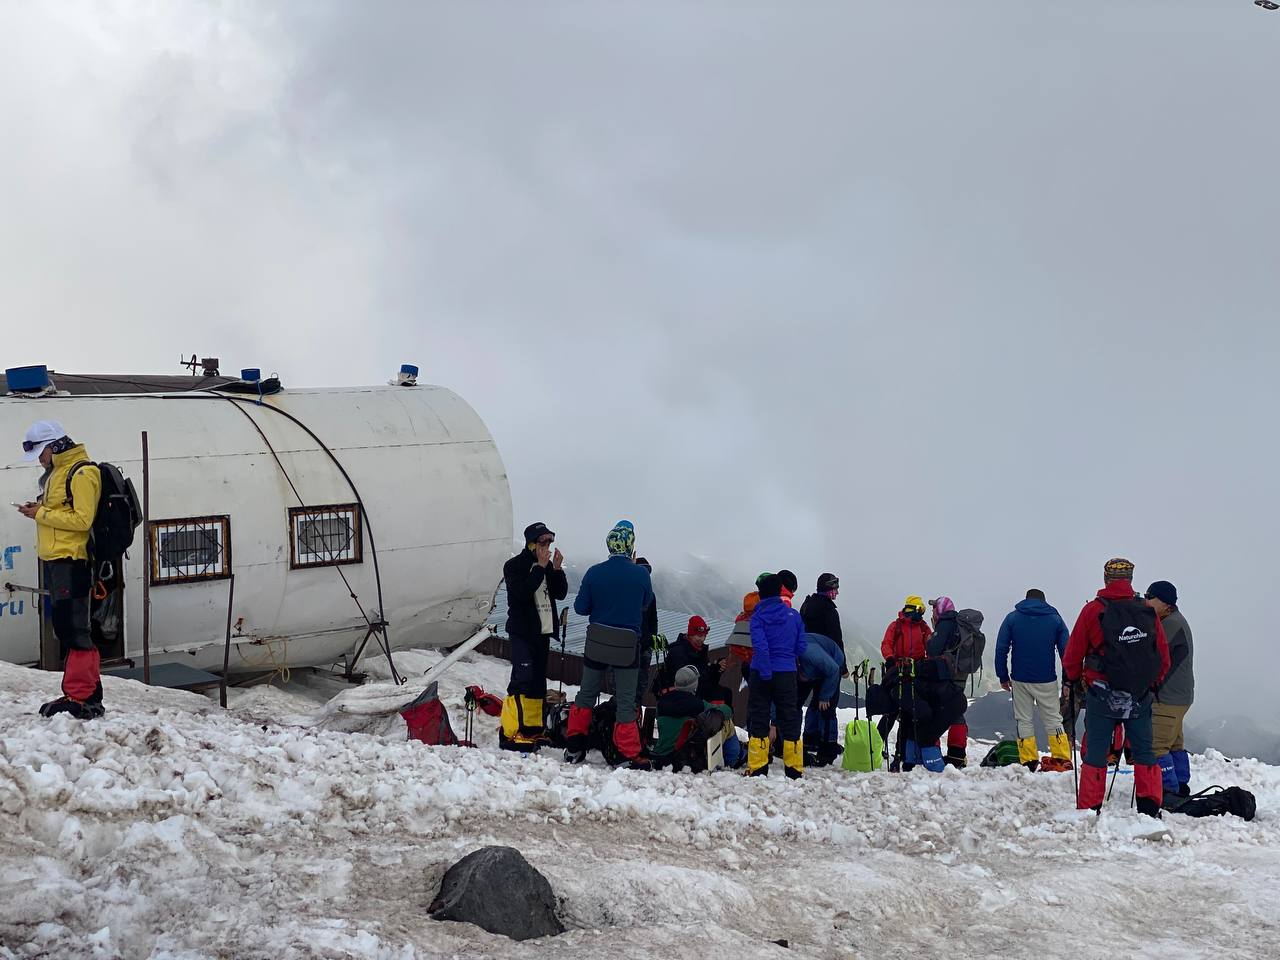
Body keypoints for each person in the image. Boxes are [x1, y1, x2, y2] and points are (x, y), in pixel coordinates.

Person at [1063, 558, 1170, 817]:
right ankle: (1149, 808)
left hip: (1102, 693)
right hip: (1139, 694)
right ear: (1130, 580)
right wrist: (1151, 684)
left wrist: (1072, 680)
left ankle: (1090, 807)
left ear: (1105, 578)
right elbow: (1163, 657)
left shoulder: (1092, 611)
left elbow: (1073, 654)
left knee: (1097, 750)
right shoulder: (1146, 611)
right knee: (1144, 750)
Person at [16, 421, 104, 720]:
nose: (40, 459)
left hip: (73, 560)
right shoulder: (57, 473)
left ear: (55, 446)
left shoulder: (82, 472)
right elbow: (64, 512)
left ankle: (81, 697)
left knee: (73, 628)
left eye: (42, 452)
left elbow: (82, 520)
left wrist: (40, 513)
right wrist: (38, 509)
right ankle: (86, 693)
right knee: (68, 627)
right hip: (58, 560)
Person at [565, 521, 654, 768]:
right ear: (631, 546)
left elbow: (580, 608)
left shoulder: (594, 572)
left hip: (596, 643)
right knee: (626, 700)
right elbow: (645, 603)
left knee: (586, 694)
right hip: (627, 647)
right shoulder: (641, 575)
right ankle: (627, 753)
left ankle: (574, 747)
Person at [499, 522, 568, 751]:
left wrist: (556, 569)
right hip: (522, 631)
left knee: (538, 681)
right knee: (523, 677)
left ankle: (532, 728)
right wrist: (539, 567)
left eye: (549, 542)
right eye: (542, 542)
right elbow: (521, 593)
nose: (547, 546)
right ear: (530, 544)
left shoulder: (547, 565)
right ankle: (509, 730)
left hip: (542, 632)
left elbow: (560, 593)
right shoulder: (514, 566)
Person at [994, 588, 1072, 772]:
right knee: (1053, 719)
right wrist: (1068, 681)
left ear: (1026, 599)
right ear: (1044, 601)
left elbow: (1001, 649)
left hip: (1020, 679)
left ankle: (1029, 760)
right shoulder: (1055, 619)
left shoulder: (1012, 618)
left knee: (1024, 720)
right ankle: (1061, 758)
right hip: (1047, 679)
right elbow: (1067, 653)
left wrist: (1003, 676)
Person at [746, 574, 807, 778]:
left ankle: (758, 766)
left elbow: (761, 647)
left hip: (762, 672)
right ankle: (794, 768)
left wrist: (765, 672)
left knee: (760, 716)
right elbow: (801, 646)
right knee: (789, 716)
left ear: (761, 594)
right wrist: (788, 659)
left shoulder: (757, 618)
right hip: (787, 672)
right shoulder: (794, 616)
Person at [1146, 580, 1194, 802]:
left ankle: (1169, 791)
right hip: (1180, 696)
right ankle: (1181, 783)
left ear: (1164, 602)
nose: (1146, 601)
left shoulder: (1169, 625)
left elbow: (1149, 653)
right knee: (1174, 742)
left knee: (1157, 745)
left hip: (1168, 696)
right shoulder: (1175, 620)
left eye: (1150, 597)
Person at [878, 596, 932, 770]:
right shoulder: (899, 626)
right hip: (899, 673)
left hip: (911, 674)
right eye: (921, 611)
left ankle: (897, 752)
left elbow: (929, 648)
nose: (922, 615)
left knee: (904, 713)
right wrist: (891, 659)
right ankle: (884, 747)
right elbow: (886, 644)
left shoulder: (919, 627)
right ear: (916, 609)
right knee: (893, 712)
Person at [651, 665, 737, 772]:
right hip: (685, 758)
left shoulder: (661, 703)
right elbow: (727, 712)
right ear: (694, 685)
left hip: (662, 757)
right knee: (727, 722)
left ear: (675, 683)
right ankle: (732, 762)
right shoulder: (699, 705)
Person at [925, 596, 971, 769]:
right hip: (960, 674)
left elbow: (932, 649)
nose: (933, 611)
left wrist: (932, 636)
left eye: (934, 608)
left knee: (936, 710)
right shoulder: (959, 623)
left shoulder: (945, 624)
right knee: (956, 711)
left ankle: (933, 752)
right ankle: (957, 755)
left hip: (945, 675)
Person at [797, 631, 845, 766]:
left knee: (826, 707)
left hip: (833, 662)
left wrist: (825, 696)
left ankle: (828, 750)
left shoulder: (810, 653)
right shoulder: (793, 660)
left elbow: (834, 670)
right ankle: (810, 741)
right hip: (813, 668)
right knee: (811, 704)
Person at [634, 557, 660, 710]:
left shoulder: (650, 596)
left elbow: (653, 620)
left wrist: (651, 642)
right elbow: (653, 621)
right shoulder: (646, 595)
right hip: (634, 646)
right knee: (631, 685)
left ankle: (635, 713)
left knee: (640, 685)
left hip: (643, 647)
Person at [800, 573, 844, 663]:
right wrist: (843, 667)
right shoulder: (830, 611)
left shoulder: (806, 606)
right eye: (835, 589)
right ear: (828, 589)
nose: (837, 593)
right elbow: (836, 639)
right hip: (826, 661)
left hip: (806, 660)